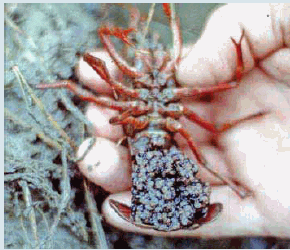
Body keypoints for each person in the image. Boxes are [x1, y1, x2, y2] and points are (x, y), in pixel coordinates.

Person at [76, 3, 290, 237]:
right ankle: (164, 204)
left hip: (153, 137)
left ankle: (167, 204)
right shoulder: (145, 77)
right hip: (150, 139)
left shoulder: (165, 80)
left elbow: (228, 87)